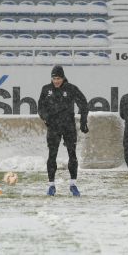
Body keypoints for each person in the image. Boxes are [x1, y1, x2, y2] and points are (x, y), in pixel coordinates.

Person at [38, 65, 89, 197]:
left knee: (72, 155)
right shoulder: (46, 89)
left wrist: (83, 122)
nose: (56, 81)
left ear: (63, 77)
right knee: (52, 155)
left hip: (68, 126)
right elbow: (40, 107)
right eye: (54, 78)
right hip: (53, 127)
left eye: (59, 78)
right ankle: (51, 186)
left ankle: (73, 184)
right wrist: (45, 118)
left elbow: (83, 103)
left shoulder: (71, 88)